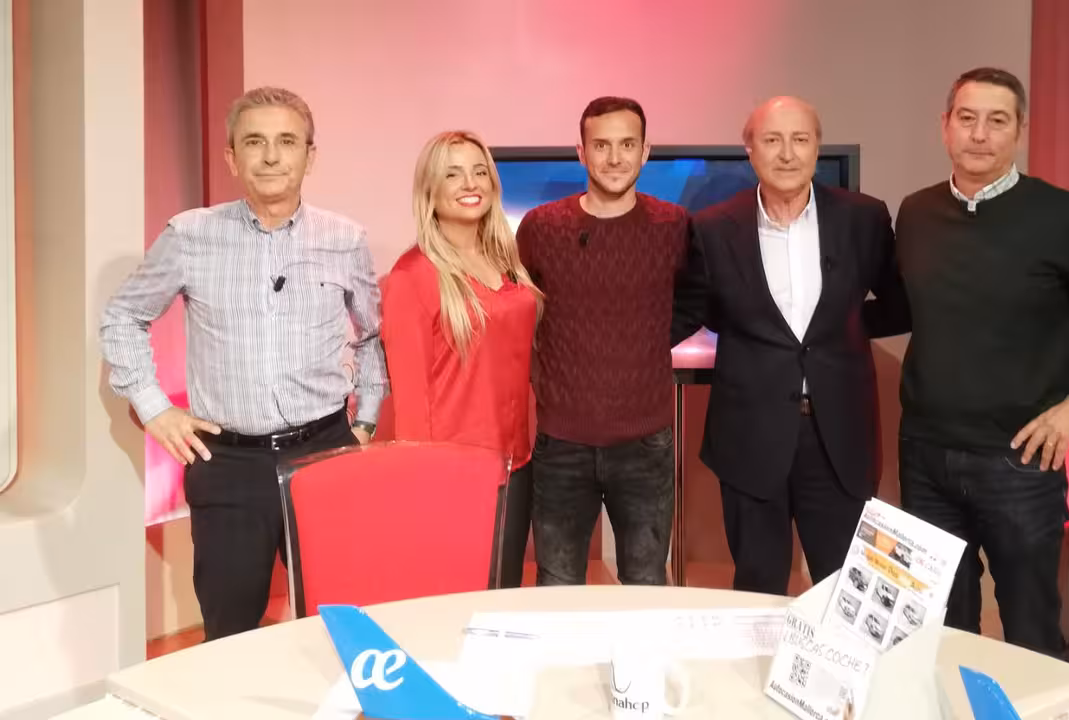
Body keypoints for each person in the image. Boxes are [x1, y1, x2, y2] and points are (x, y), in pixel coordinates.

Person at [893, 67, 1069, 660]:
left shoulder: (1066, 218)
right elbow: (902, 307)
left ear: (1020, 130)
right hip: (925, 456)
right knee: (938, 631)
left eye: (997, 121)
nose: (979, 135)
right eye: (967, 119)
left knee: (1031, 636)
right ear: (945, 126)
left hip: (1019, 460)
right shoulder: (915, 213)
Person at [100, 87, 388, 641]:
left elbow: (371, 335)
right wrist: (156, 410)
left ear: (309, 155)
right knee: (230, 633)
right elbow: (122, 318)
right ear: (232, 158)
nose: (272, 156)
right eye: (255, 142)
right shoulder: (190, 235)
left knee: (343, 625)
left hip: (326, 452)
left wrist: (367, 420)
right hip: (227, 462)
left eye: (287, 141)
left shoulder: (345, 238)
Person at [672, 96, 911, 595]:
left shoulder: (863, 218)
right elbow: (697, 311)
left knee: (842, 591)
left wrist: (845, 326)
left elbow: (900, 304)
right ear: (750, 149)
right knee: (757, 586)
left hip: (838, 436)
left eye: (800, 139)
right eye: (772, 140)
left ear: (816, 147)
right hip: (750, 436)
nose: (787, 153)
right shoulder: (713, 228)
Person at [516, 96, 691, 586]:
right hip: (562, 443)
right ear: (581, 152)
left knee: (645, 582)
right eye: (601, 146)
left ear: (645, 151)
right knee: (557, 586)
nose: (615, 158)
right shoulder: (541, 227)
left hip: (646, 443)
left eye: (627, 145)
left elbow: (697, 298)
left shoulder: (674, 225)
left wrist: (647, 338)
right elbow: (518, 311)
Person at [381, 130, 541, 589]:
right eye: (452, 174)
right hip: (452, 475)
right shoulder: (413, 275)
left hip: (516, 463)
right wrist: (425, 487)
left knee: (502, 599)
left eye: (479, 171)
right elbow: (411, 402)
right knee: (456, 606)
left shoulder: (507, 262)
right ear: (430, 189)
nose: (470, 183)